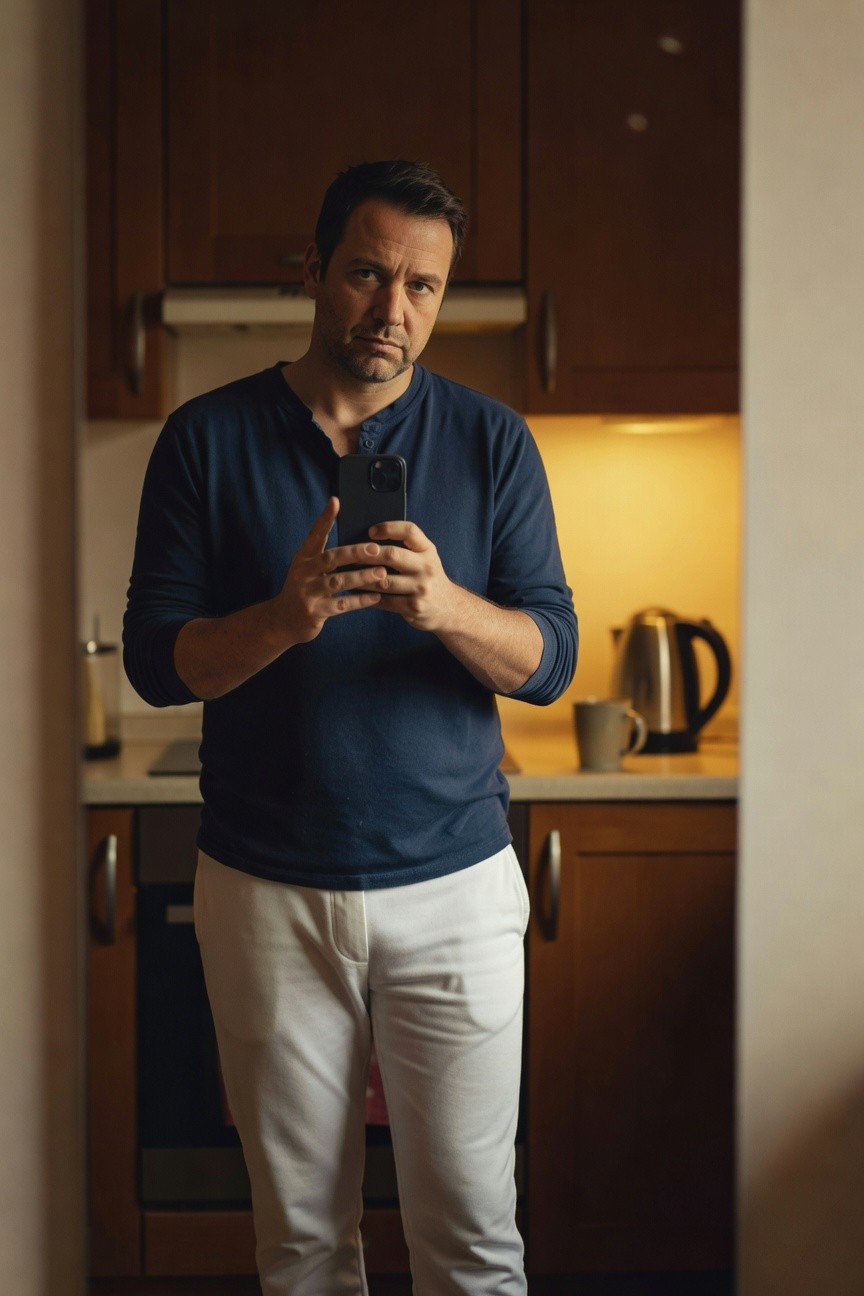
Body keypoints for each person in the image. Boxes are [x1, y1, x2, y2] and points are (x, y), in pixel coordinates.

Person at [124, 159, 577, 1296]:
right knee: (302, 1248)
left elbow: (552, 659)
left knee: (473, 1244)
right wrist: (285, 619)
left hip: (455, 891)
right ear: (315, 272)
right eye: (369, 274)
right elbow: (155, 663)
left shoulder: (493, 442)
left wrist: (446, 606)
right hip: (266, 891)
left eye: (423, 286)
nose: (394, 309)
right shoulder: (204, 439)